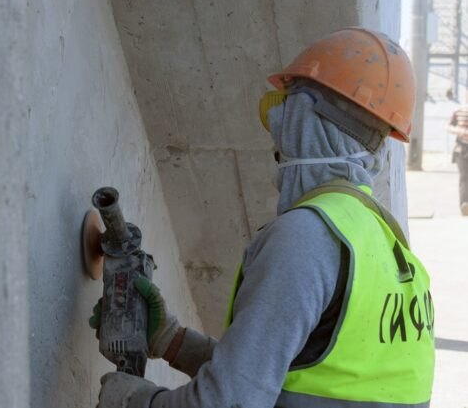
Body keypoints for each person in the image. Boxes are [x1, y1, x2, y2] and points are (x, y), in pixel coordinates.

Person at [91, 27, 435, 408]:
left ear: (306, 123)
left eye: (283, 109)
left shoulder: (306, 238)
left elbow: (229, 403)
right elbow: (287, 382)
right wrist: (173, 340)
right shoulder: (385, 244)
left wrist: (134, 401)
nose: (275, 134)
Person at [447, 105, 468, 215]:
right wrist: (459, 130)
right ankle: (464, 204)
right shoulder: (458, 111)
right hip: (461, 149)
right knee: (464, 177)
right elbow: (448, 126)